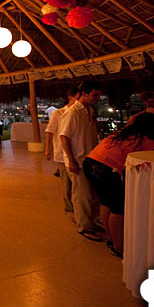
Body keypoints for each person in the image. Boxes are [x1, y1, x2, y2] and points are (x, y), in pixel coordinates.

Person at [84, 112, 154, 258]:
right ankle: (119, 247)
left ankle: (112, 239)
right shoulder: (147, 141)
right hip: (105, 168)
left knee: (106, 203)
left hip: (91, 162)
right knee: (118, 208)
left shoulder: (122, 133)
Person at [59, 80, 103, 242]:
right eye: (94, 95)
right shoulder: (73, 112)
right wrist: (71, 160)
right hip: (78, 159)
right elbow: (64, 136)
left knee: (91, 193)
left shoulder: (88, 110)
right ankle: (84, 226)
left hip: (90, 158)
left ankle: (91, 221)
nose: (97, 98)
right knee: (82, 195)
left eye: (98, 95)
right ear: (84, 93)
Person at [45, 86, 79, 219]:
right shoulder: (58, 113)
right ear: (71, 97)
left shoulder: (80, 112)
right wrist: (47, 149)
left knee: (77, 184)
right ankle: (69, 208)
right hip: (61, 152)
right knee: (66, 183)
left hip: (77, 153)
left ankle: (78, 208)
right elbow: (50, 131)